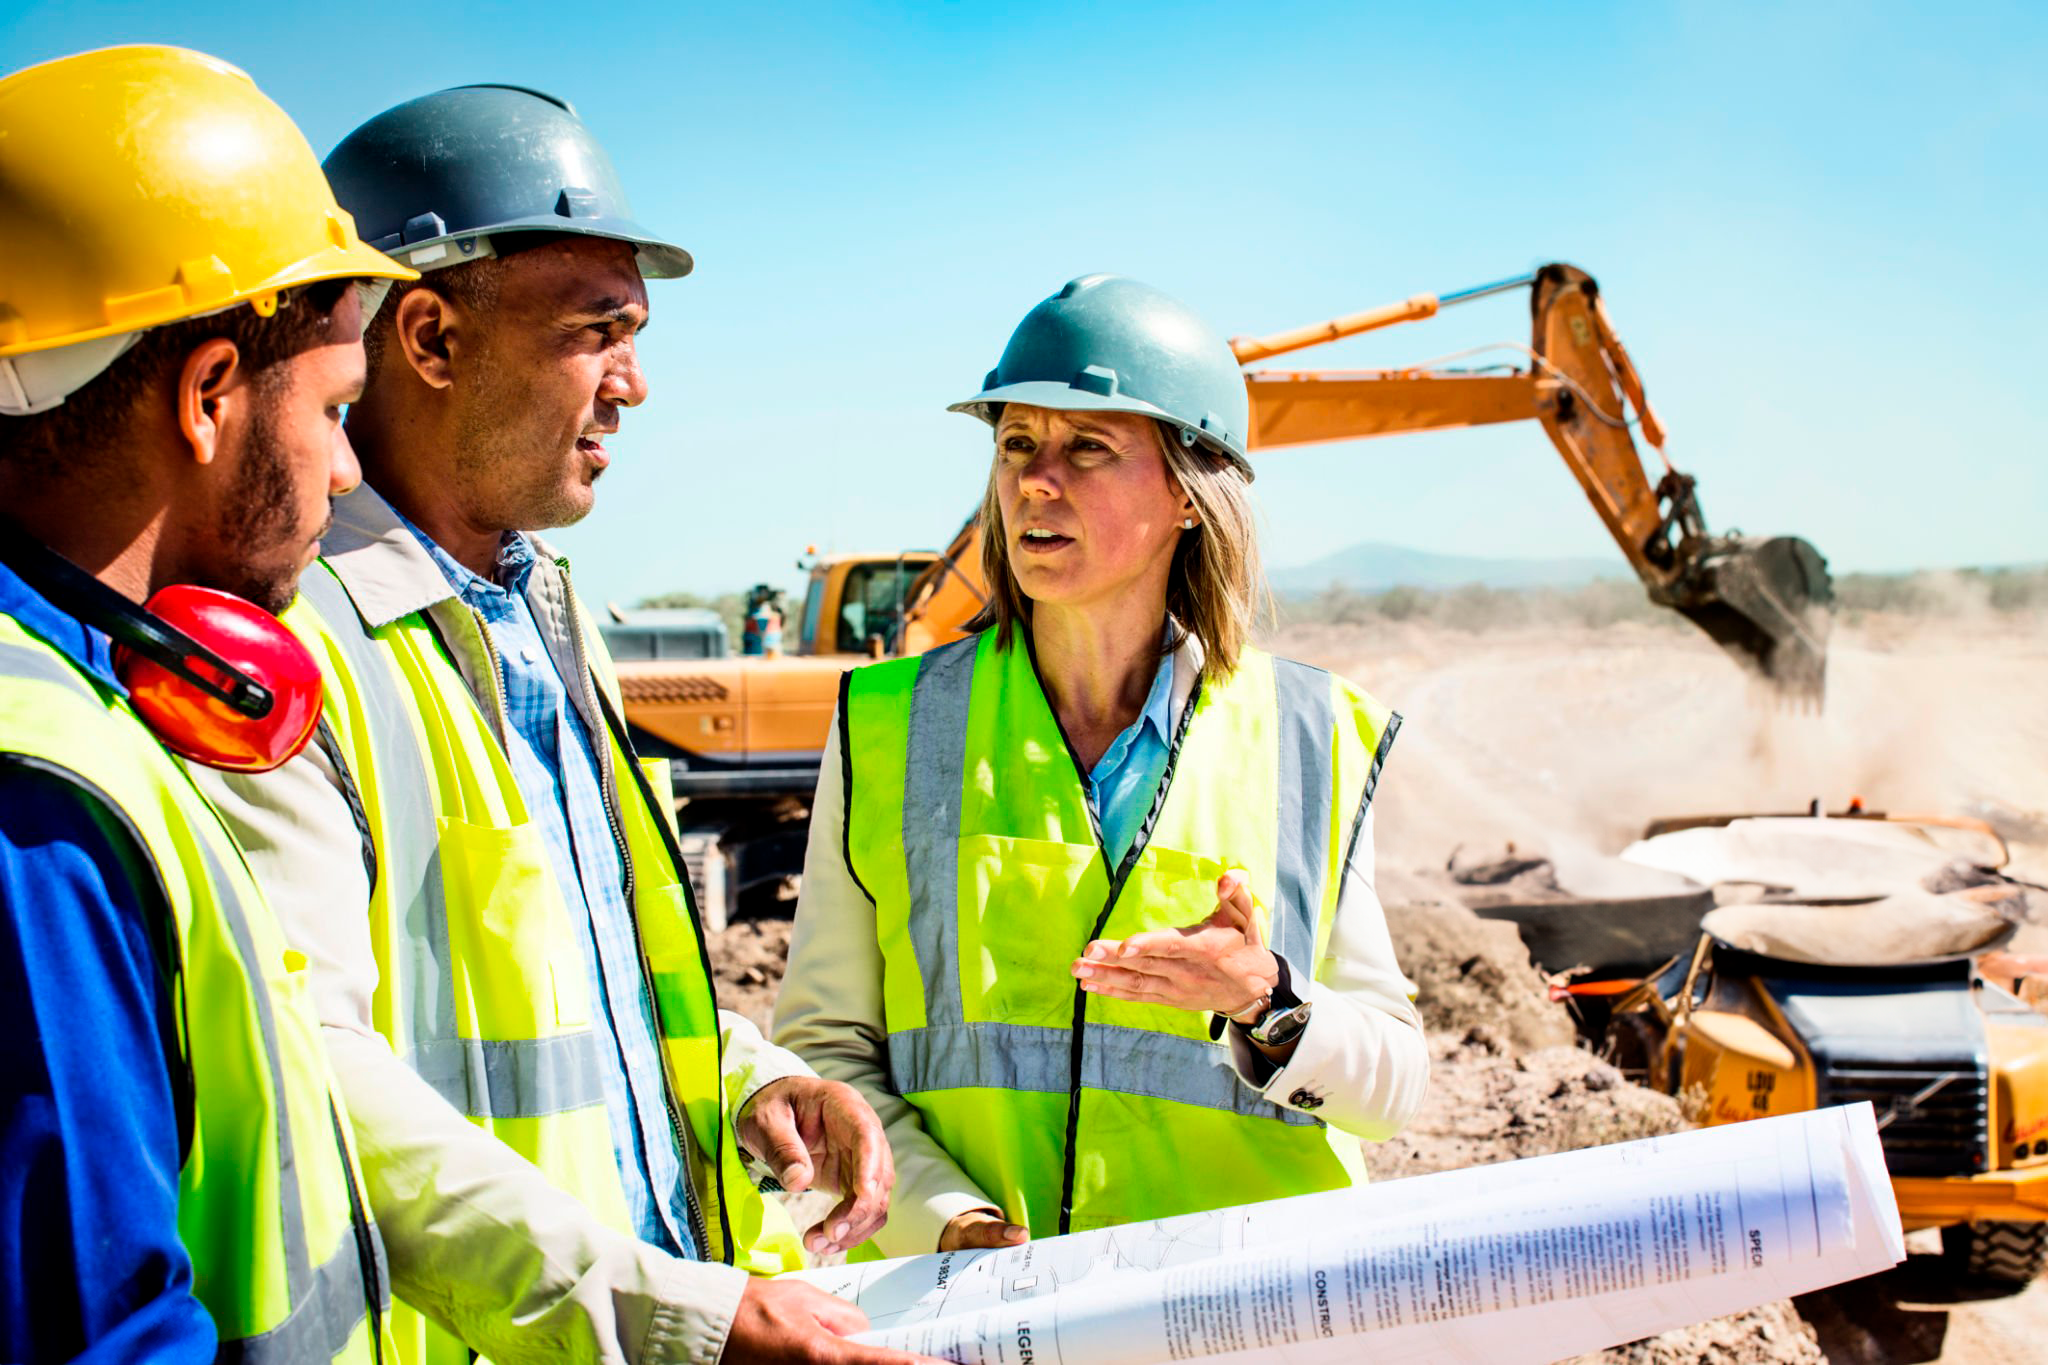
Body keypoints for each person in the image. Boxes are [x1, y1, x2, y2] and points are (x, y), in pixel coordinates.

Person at [196, 85, 925, 1365]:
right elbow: (315, 1076)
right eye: (599, 331)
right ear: (425, 336)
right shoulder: (285, 645)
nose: (634, 385)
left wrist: (753, 1085)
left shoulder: (545, 610)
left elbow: (587, 982)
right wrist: (676, 1321)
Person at [776, 274, 1431, 1257]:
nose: (1036, 481)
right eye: (1015, 445)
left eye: (1087, 448)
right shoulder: (889, 726)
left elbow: (1393, 1088)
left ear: (1189, 493)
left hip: (1243, 1318)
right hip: (985, 1321)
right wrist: (946, 1225)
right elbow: (823, 1055)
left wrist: (1270, 1002)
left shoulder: (1308, 732)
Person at [0, 45, 415, 1361]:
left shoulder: (72, 703)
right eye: (339, 408)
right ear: (209, 395)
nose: (347, 471)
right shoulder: (37, 807)